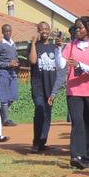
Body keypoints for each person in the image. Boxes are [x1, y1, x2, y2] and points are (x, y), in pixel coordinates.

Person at [60, 17, 89, 169]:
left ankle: (88, 156)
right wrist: (59, 51)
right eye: (76, 28)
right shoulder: (70, 46)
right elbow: (60, 64)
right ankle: (76, 155)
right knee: (77, 123)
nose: (77, 30)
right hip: (73, 91)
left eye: (80, 28)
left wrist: (79, 64)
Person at [28, 22, 64, 153]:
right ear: (38, 31)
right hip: (38, 86)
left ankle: (42, 142)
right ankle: (36, 142)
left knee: (47, 114)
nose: (44, 31)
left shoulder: (54, 47)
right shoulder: (34, 46)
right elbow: (32, 61)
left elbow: (61, 65)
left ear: (49, 31)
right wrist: (32, 43)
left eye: (46, 29)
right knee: (39, 110)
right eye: (41, 29)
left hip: (51, 86)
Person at [0, 24, 19, 127]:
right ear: (2, 32)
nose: (8, 33)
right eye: (5, 31)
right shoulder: (0, 45)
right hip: (3, 72)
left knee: (13, 95)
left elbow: (16, 57)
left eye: (9, 31)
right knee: (4, 96)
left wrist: (16, 63)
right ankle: (5, 119)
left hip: (12, 73)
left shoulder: (13, 44)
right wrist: (8, 64)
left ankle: (1, 113)